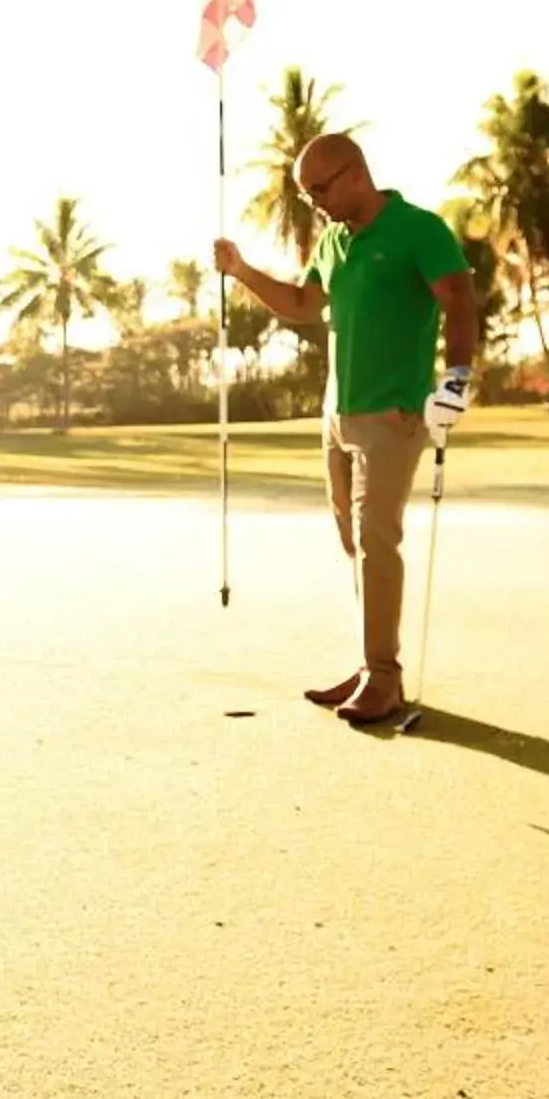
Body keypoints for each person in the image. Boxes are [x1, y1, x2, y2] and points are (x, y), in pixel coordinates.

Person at [214, 131, 479, 726]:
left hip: (393, 413)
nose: (315, 204)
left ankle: (384, 677)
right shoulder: (333, 241)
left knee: (376, 541)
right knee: (355, 544)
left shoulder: (420, 229)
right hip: (337, 413)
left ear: (354, 173)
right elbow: (305, 305)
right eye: (307, 195)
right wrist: (241, 270)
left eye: (319, 190)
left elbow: (460, 299)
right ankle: (370, 666)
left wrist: (457, 380)